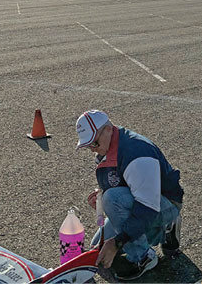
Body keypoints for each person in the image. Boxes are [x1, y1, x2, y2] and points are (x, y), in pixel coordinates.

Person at [76, 110, 183, 280]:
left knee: (113, 201)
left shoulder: (137, 153)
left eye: (94, 143)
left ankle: (143, 257)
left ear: (109, 129)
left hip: (163, 203)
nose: (91, 149)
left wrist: (118, 242)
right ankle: (165, 229)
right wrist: (101, 199)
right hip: (146, 200)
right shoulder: (108, 147)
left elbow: (147, 208)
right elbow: (121, 185)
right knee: (97, 247)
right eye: (87, 145)